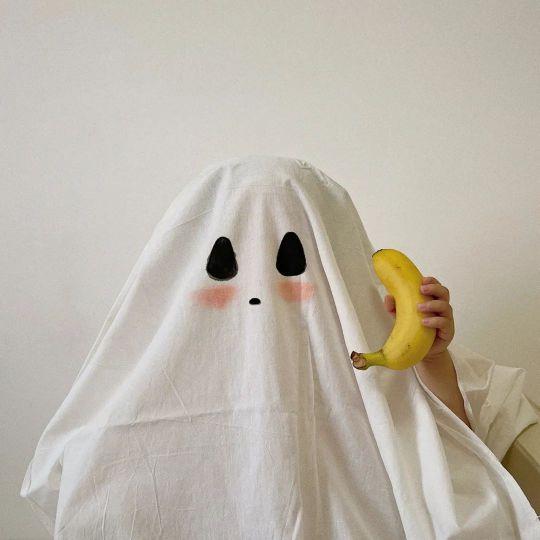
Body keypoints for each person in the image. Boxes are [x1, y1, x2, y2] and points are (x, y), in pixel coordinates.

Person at [21, 155, 539, 539]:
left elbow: (462, 464)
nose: (256, 292)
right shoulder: (149, 377)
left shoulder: (378, 351)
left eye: (291, 259)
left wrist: (433, 359)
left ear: (331, 256)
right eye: (226, 262)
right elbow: (79, 484)